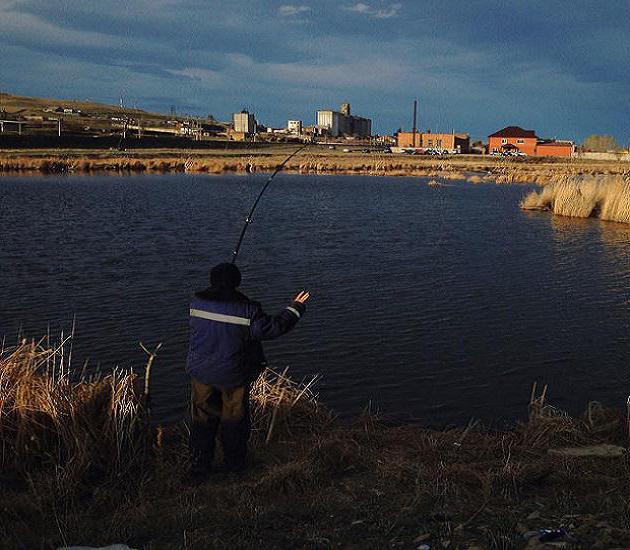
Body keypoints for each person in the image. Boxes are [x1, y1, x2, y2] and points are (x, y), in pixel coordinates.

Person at [186, 262, 310, 481]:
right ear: (237, 283)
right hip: (232, 376)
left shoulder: (197, 303)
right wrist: (295, 308)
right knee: (234, 420)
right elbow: (273, 328)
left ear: (212, 281)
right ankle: (234, 466)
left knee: (202, 419)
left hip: (201, 372)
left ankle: (199, 466)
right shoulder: (247, 310)